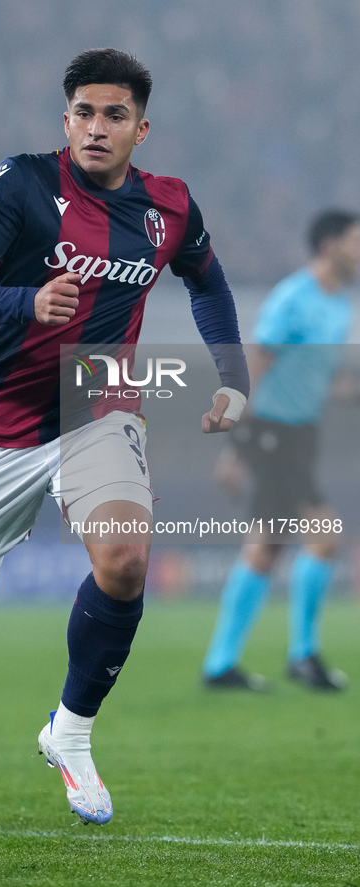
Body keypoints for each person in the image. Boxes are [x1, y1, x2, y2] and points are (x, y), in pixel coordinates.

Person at [0, 48, 249, 836]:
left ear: (141, 128)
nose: (97, 128)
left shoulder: (169, 207)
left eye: (115, 116)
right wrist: (27, 299)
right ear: (66, 120)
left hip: (97, 390)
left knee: (127, 560)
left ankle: (70, 729)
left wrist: (230, 376)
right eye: (84, 113)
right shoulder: (23, 182)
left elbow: (208, 281)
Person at [202, 209, 360, 691]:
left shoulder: (341, 301)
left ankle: (221, 664)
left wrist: (344, 389)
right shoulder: (294, 297)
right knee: (325, 535)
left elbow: (311, 371)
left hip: (300, 435)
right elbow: (259, 363)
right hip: (271, 433)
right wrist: (236, 447)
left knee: (266, 549)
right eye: (356, 241)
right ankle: (302, 655)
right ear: (330, 245)